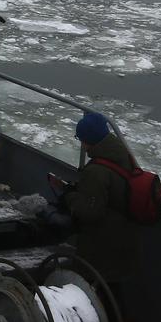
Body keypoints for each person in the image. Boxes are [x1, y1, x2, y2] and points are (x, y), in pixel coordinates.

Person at [53, 112, 141, 300]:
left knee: (99, 293)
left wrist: (70, 196)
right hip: (125, 235)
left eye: (81, 139)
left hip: (103, 243)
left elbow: (91, 212)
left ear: (87, 141)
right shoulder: (124, 156)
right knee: (112, 290)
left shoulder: (96, 171)